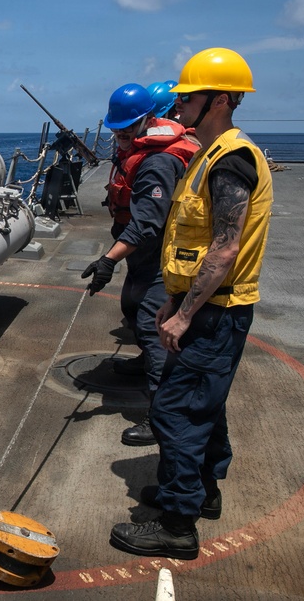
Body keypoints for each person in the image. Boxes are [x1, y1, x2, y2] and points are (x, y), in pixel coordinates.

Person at [109, 47, 274, 560]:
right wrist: (176, 298)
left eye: (190, 97)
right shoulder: (209, 153)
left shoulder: (231, 160)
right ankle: (203, 493)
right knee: (204, 405)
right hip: (204, 305)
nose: (178, 107)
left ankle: (178, 525)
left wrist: (184, 312)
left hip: (215, 311)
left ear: (220, 100)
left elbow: (225, 247)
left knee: (175, 411)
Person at [81, 83, 198, 446]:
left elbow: (147, 223)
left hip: (161, 253)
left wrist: (108, 261)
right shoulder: (132, 148)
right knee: (131, 305)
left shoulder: (158, 161)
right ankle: (144, 361)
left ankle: (162, 415)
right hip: (141, 254)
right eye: (116, 131)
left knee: (153, 324)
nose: (121, 138)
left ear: (149, 121)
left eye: (128, 131)